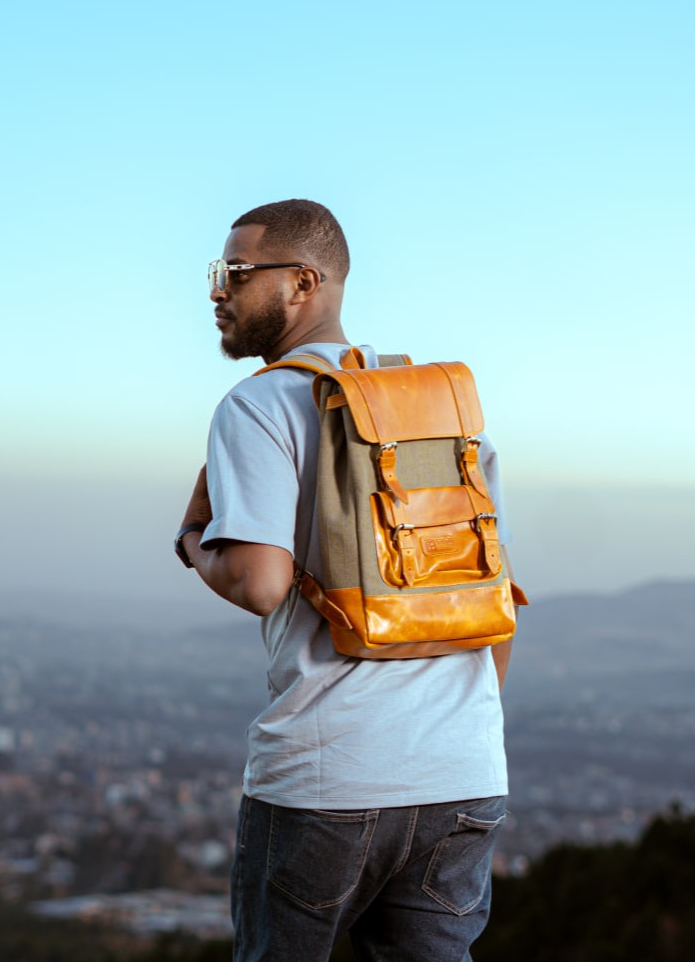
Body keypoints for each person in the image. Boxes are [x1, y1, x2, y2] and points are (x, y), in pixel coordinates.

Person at [175, 199, 520, 962]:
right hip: (461, 773)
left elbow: (262, 582)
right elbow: (493, 600)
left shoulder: (260, 404)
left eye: (234, 272)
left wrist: (194, 543)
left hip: (329, 776)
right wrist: (468, 734)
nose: (215, 291)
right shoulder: (442, 410)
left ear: (304, 282)